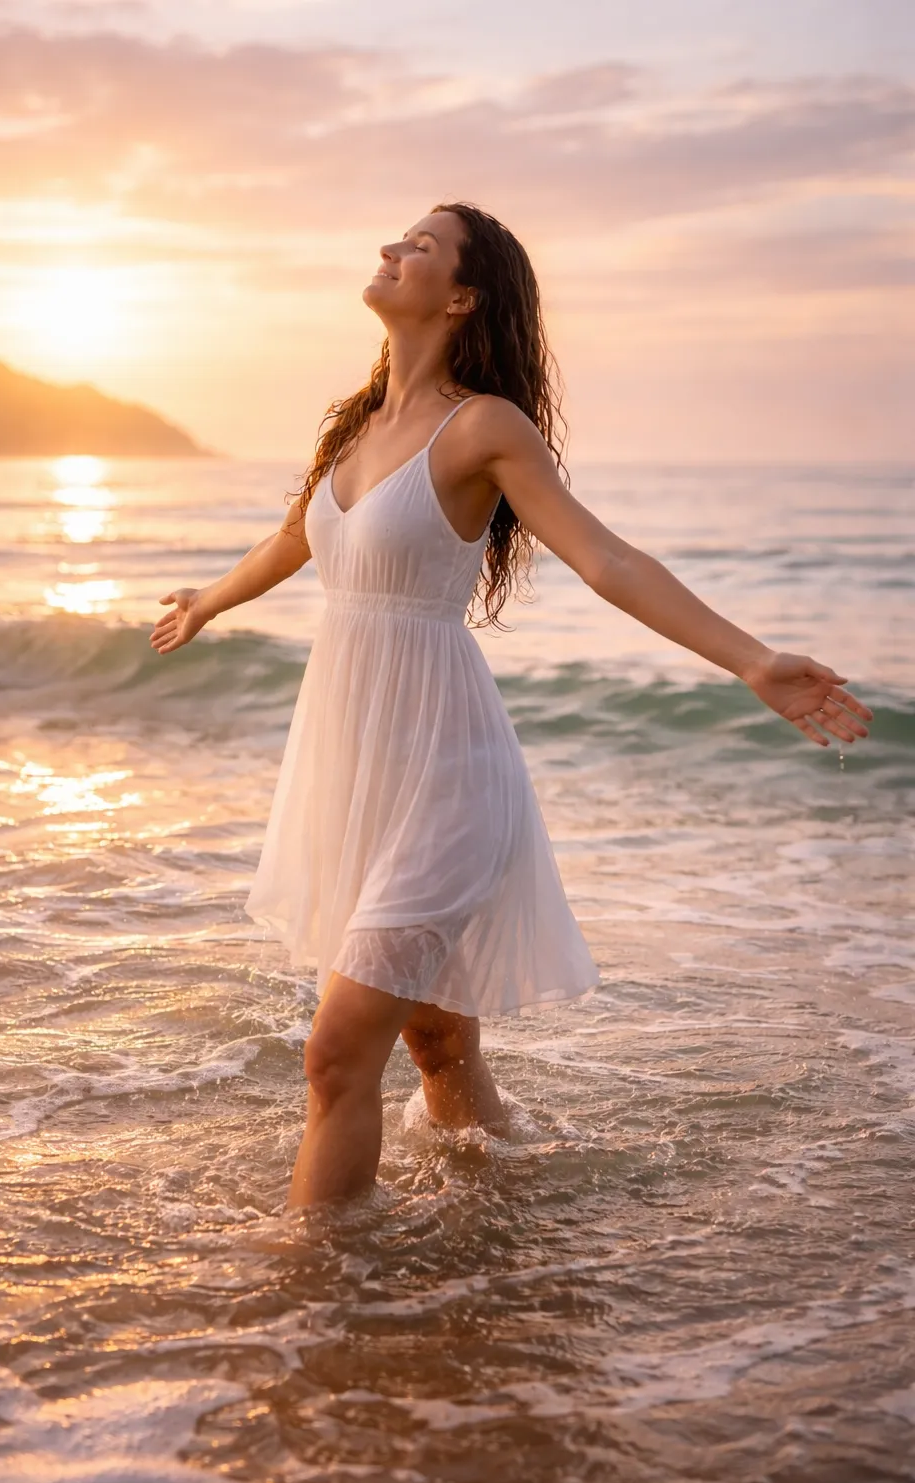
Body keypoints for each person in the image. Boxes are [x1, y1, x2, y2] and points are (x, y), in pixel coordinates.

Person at [150, 202, 873, 1211]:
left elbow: (606, 558)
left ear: (459, 295)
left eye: (419, 245)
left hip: (448, 778)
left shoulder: (482, 426)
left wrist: (748, 659)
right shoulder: (355, 430)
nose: (389, 248)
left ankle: (314, 1299)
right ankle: (515, 1198)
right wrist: (208, 601)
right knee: (434, 1046)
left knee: (332, 1057)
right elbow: (295, 541)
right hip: (355, 774)